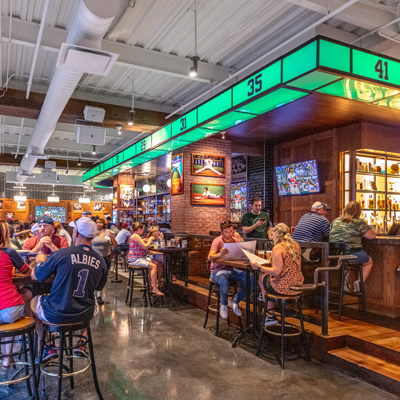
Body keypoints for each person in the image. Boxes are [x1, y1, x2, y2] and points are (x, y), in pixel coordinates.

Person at [31, 218, 108, 358]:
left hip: (56, 314)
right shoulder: (101, 260)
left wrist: (40, 262)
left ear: (76, 233)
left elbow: (36, 276)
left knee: (32, 302)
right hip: (84, 315)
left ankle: (48, 346)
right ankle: (81, 342)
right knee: (93, 302)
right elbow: (99, 286)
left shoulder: (62, 254)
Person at [251, 223, 304, 326]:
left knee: (262, 276)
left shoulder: (278, 248)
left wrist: (258, 267)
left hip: (284, 287)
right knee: (266, 274)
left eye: (272, 234)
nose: (271, 237)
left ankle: (270, 315)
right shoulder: (296, 245)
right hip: (298, 285)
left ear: (276, 234)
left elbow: (276, 271)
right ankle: (263, 297)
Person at [0, 221, 32, 368]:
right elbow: (28, 272)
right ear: (5, 233)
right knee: (23, 296)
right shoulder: (9, 252)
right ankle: (8, 356)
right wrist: (36, 261)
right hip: (9, 309)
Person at [329, 201, 376, 292]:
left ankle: (345, 285)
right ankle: (359, 281)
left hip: (334, 256)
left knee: (346, 263)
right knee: (369, 261)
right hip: (350, 255)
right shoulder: (359, 222)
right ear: (359, 211)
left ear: (345, 209)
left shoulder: (336, 220)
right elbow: (372, 236)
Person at [207, 221, 251, 319]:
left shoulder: (235, 240)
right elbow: (209, 257)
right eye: (226, 232)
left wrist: (242, 242)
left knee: (251, 279)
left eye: (231, 231)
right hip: (217, 271)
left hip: (231, 269)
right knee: (225, 282)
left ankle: (234, 301)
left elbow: (245, 253)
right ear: (221, 232)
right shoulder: (218, 241)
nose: (229, 234)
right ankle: (223, 305)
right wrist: (219, 254)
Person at [128, 222, 164, 296]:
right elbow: (145, 247)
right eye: (142, 229)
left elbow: (142, 241)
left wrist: (147, 239)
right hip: (135, 259)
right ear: (139, 229)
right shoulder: (136, 236)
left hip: (138, 258)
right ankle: (155, 288)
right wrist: (150, 238)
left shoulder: (134, 236)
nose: (143, 231)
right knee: (154, 266)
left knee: (156, 263)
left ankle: (149, 283)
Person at [92, 217, 117, 305]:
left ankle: (99, 295)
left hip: (106, 257)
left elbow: (115, 245)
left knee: (103, 277)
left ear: (104, 223)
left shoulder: (108, 232)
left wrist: (113, 237)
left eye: (100, 222)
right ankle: (91, 294)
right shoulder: (91, 232)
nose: (98, 224)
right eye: (97, 222)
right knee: (93, 276)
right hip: (94, 258)